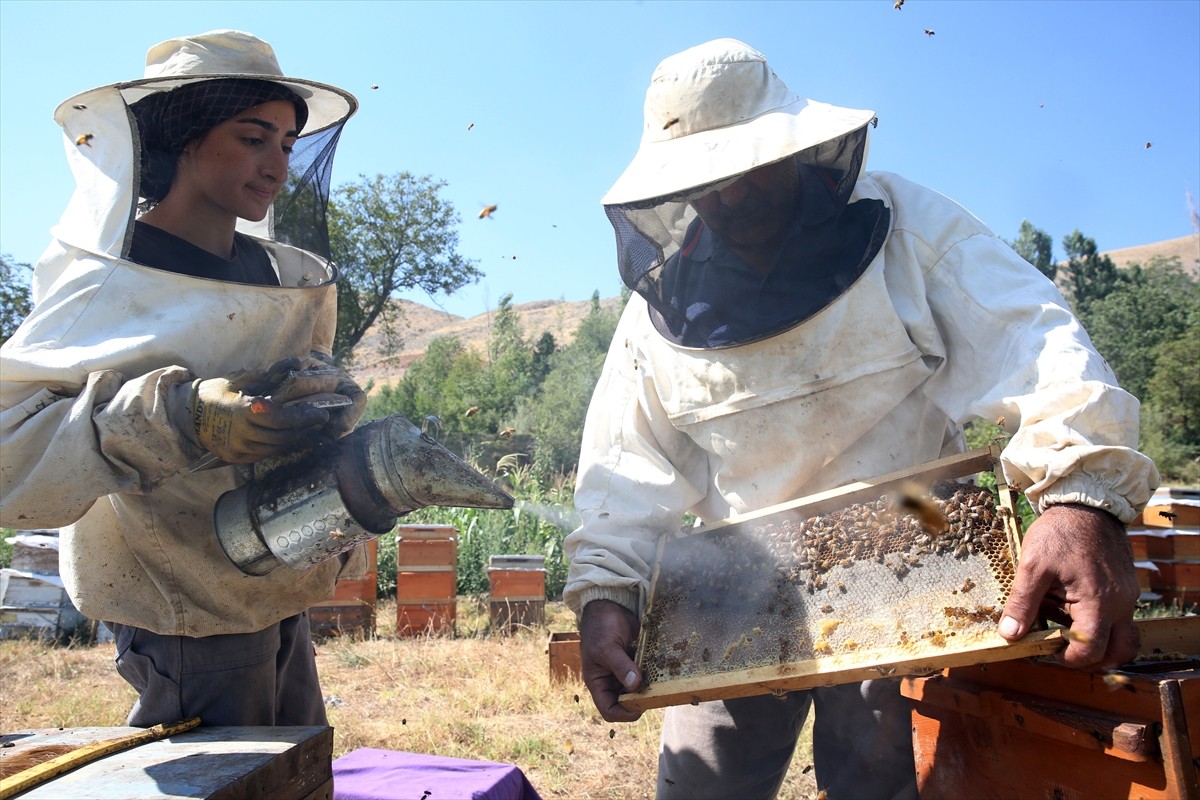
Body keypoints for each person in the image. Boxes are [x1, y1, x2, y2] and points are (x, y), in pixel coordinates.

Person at [563, 38, 1160, 799]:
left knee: (879, 787)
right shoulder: (658, 312)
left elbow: (1035, 341)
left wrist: (1081, 495)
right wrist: (608, 592)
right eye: (702, 182)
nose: (725, 200)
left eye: (743, 170)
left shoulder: (908, 229)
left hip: (914, 577)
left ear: (795, 147)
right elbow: (623, 464)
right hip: (731, 597)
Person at [0, 30, 368, 728]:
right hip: (182, 606)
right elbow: (11, 444)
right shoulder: (108, 281)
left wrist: (327, 415)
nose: (277, 166)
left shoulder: (281, 277)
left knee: (295, 773)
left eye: (288, 145)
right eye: (253, 138)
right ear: (185, 135)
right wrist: (183, 416)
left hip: (275, 584)